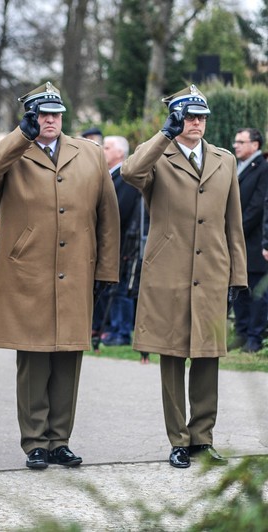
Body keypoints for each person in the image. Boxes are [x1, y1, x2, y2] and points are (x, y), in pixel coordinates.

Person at [0, 82, 120, 470]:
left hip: (76, 271)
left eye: (55, 113)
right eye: (41, 113)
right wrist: (21, 135)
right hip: (28, 272)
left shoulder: (90, 153)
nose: (48, 120)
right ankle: (35, 441)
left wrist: (106, 270)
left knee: (69, 356)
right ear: (30, 116)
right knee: (34, 358)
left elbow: (107, 217)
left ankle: (59, 440)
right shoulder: (12, 151)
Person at [121, 85, 247, 468]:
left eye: (201, 117)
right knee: (173, 356)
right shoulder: (158, 156)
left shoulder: (224, 160)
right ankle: (177, 439)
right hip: (169, 272)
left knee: (208, 358)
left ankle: (201, 438)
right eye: (189, 116)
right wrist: (164, 135)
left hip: (211, 272)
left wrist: (237, 275)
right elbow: (129, 172)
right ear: (176, 119)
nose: (197, 123)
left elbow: (234, 224)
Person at [98, 136, 143, 348]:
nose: (102, 150)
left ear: (120, 153)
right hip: (111, 242)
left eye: (107, 147)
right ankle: (112, 328)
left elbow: (120, 210)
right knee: (111, 287)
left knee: (122, 289)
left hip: (124, 242)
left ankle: (122, 332)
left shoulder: (125, 178)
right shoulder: (108, 176)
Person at [230, 128, 268, 353]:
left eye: (241, 142)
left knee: (257, 292)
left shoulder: (263, 168)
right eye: (235, 142)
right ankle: (241, 334)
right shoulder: (238, 167)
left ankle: (255, 337)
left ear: (255, 145)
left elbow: (257, 207)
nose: (236, 145)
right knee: (239, 288)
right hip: (238, 241)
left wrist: (235, 231)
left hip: (253, 240)